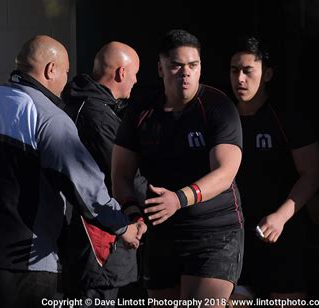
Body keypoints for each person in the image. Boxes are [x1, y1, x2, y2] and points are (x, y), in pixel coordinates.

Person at [0, 35, 145, 308]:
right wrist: (122, 225)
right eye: (65, 72)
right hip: (24, 262)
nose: (66, 80)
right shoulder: (48, 116)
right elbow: (85, 185)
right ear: (50, 69)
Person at [112, 29, 244, 307]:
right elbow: (120, 174)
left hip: (214, 231)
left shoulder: (218, 106)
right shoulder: (141, 111)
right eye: (177, 65)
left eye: (193, 66)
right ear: (161, 69)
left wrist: (179, 198)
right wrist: (133, 214)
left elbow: (225, 172)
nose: (185, 73)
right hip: (163, 232)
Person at [229, 37, 319, 307]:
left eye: (248, 70)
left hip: (283, 234)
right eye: (234, 70)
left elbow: (311, 174)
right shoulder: (221, 118)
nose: (240, 78)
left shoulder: (286, 119)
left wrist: (281, 217)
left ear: (267, 73)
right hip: (235, 237)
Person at [60, 41, 147, 305]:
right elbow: (124, 172)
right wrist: (154, 208)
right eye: (135, 74)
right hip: (98, 242)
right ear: (121, 73)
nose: (135, 81)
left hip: (107, 238)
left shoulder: (93, 109)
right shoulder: (95, 115)